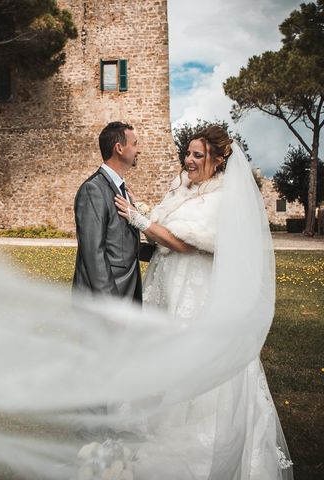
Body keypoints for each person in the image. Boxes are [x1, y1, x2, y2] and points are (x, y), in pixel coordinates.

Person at [110, 125, 293, 479]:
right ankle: (153, 431)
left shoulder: (222, 198)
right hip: (167, 284)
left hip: (193, 290)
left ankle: (191, 447)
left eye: (198, 155)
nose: (188, 160)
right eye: (188, 153)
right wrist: (143, 213)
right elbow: (164, 229)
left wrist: (137, 218)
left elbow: (185, 242)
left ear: (218, 160)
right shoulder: (184, 189)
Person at [72, 121, 142, 302]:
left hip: (124, 292)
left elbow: (122, 244)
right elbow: (93, 252)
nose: (138, 150)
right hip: (104, 301)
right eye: (135, 144)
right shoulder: (93, 189)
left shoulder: (121, 188)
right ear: (119, 148)